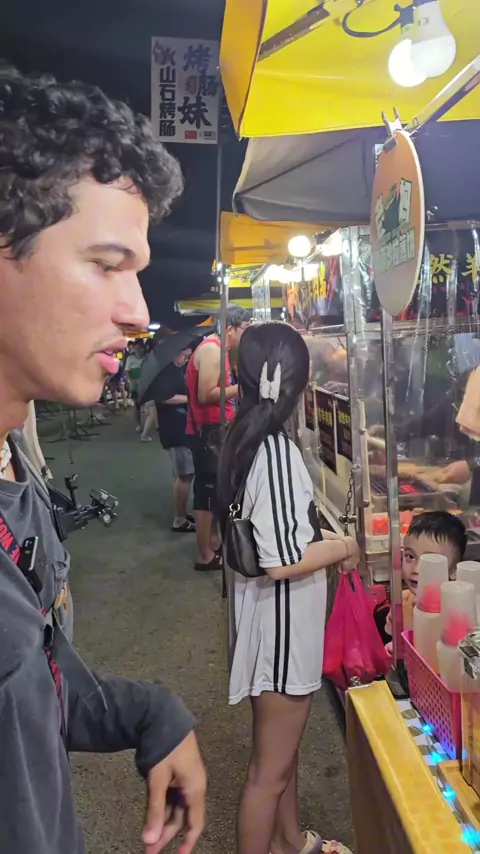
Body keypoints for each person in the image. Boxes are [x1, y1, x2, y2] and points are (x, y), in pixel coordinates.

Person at [0, 66, 206, 854]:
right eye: (105, 263)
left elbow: (31, 685)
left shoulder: (16, 463)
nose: (138, 312)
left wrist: (149, 712)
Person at [217, 322, 359, 854]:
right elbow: (284, 562)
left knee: (280, 755)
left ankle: (289, 841)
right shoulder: (274, 450)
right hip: (280, 626)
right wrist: (346, 546)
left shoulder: (246, 436)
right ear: (295, 384)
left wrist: (329, 540)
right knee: (267, 774)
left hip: (268, 619)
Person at [185, 305, 250, 570]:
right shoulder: (212, 349)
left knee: (214, 490)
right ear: (231, 328)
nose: (246, 334)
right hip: (208, 431)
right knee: (207, 491)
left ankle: (213, 542)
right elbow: (206, 394)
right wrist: (242, 388)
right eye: (244, 328)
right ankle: (205, 554)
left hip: (215, 429)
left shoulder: (219, 349)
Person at [384, 510, 467, 646]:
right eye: (410, 556)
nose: (416, 569)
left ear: (454, 570)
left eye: (430, 561)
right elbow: (393, 642)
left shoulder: (457, 611)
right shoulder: (402, 602)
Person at [151, 346, 196, 532]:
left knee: (185, 474)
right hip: (175, 429)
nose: (185, 359)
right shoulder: (165, 372)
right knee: (185, 474)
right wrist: (190, 399)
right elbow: (163, 397)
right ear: (175, 352)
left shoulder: (175, 370)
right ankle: (179, 519)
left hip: (180, 426)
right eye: (184, 356)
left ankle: (182, 513)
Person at [126, 340, 145, 432]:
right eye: (136, 348)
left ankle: (146, 423)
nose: (138, 350)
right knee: (137, 405)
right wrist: (132, 381)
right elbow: (127, 371)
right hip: (135, 385)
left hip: (145, 384)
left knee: (147, 405)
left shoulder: (147, 358)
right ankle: (139, 424)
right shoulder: (130, 359)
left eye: (139, 348)